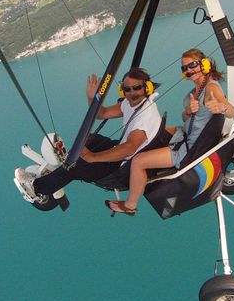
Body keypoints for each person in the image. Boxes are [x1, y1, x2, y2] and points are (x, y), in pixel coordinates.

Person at [105, 49, 234, 216]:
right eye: (184, 68)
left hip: (190, 149)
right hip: (186, 135)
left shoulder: (211, 89)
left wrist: (220, 107)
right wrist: (187, 112)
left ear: (204, 64)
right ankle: (130, 152)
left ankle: (130, 205)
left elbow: (230, 110)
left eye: (192, 65)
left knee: (138, 161)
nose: (188, 70)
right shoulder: (195, 91)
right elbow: (185, 118)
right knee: (158, 130)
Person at [15, 68, 162, 203]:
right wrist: (92, 98)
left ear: (147, 88)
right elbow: (102, 113)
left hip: (123, 169)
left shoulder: (144, 116)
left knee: (74, 167)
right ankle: (63, 169)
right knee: (90, 139)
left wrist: (94, 157)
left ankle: (37, 189)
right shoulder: (131, 104)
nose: (132, 92)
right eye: (127, 89)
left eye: (136, 88)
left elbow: (129, 148)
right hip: (124, 152)